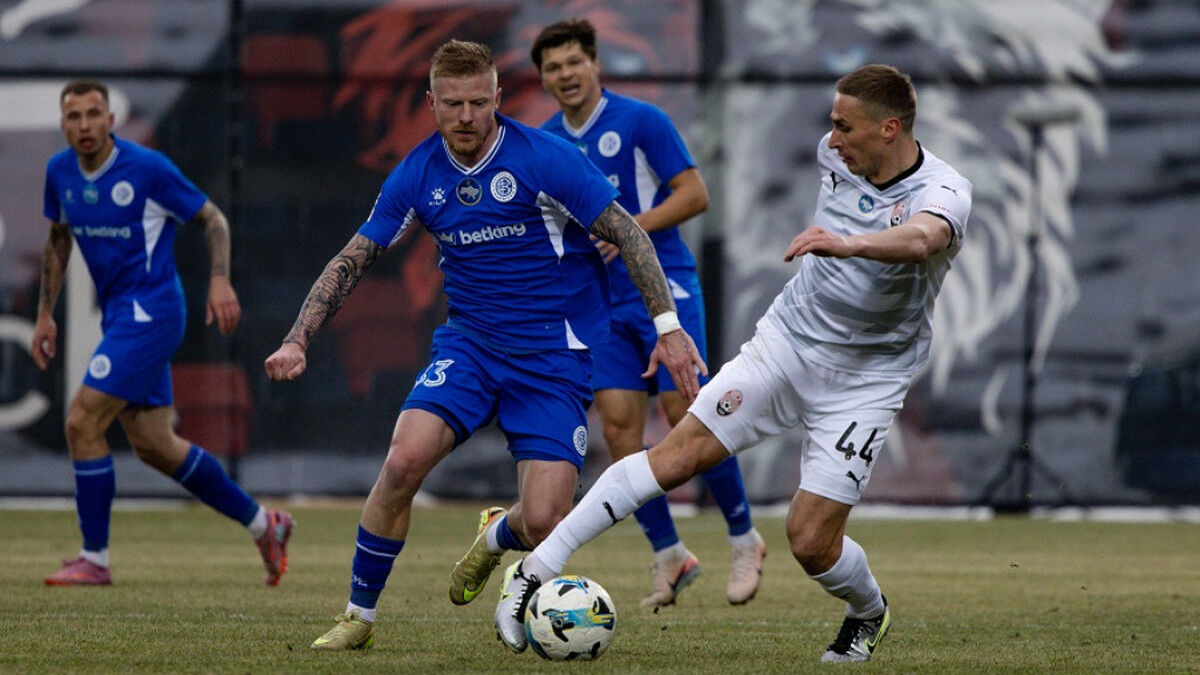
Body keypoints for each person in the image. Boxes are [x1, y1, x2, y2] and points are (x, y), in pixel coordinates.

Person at [495, 63, 973, 662]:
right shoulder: (835, 155)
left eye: (845, 126)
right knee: (675, 455)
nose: (832, 138)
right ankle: (534, 571)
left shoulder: (945, 190)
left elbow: (923, 239)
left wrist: (846, 244)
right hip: (787, 344)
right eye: (832, 123)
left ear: (889, 129)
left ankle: (868, 611)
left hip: (869, 378)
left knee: (810, 542)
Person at [262, 40, 704, 651]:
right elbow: (353, 258)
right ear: (432, 103)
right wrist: (297, 339)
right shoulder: (417, 173)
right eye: (452, 104)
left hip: (552, 358)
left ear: (498, 97)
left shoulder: (546, 158)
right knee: (403, 461)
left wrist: (668, 329)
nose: (466, 116)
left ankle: (497, 536)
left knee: (545, 520)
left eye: (477, 102)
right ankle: (358, 616)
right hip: (469, 349)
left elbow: (629, 234)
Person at [528, 18, 764, 608]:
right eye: (553, 67)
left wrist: (630, 228)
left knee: (687, 409)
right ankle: (669, 554)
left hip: (666, 286)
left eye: (574, 62)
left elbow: (695, 194)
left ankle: (744, 537)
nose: (565, 74)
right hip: (601, 303)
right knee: (617, 427)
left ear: (595, 64)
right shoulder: (545, 142)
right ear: (543, 79)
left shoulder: (641, 121)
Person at [34, 80, 292, 588]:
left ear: (111, 120)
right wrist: (45, 313)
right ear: (63, 124)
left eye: (93, 114)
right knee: (155, 445)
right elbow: (59, 238)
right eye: (74, 116)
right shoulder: (60, 172)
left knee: (82, 421)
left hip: (153, 312)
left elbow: (213, 220)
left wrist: (219, 280)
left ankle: (95, 559)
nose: (84, 125)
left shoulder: (147, 169)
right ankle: (266, 525)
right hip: (120, 316)